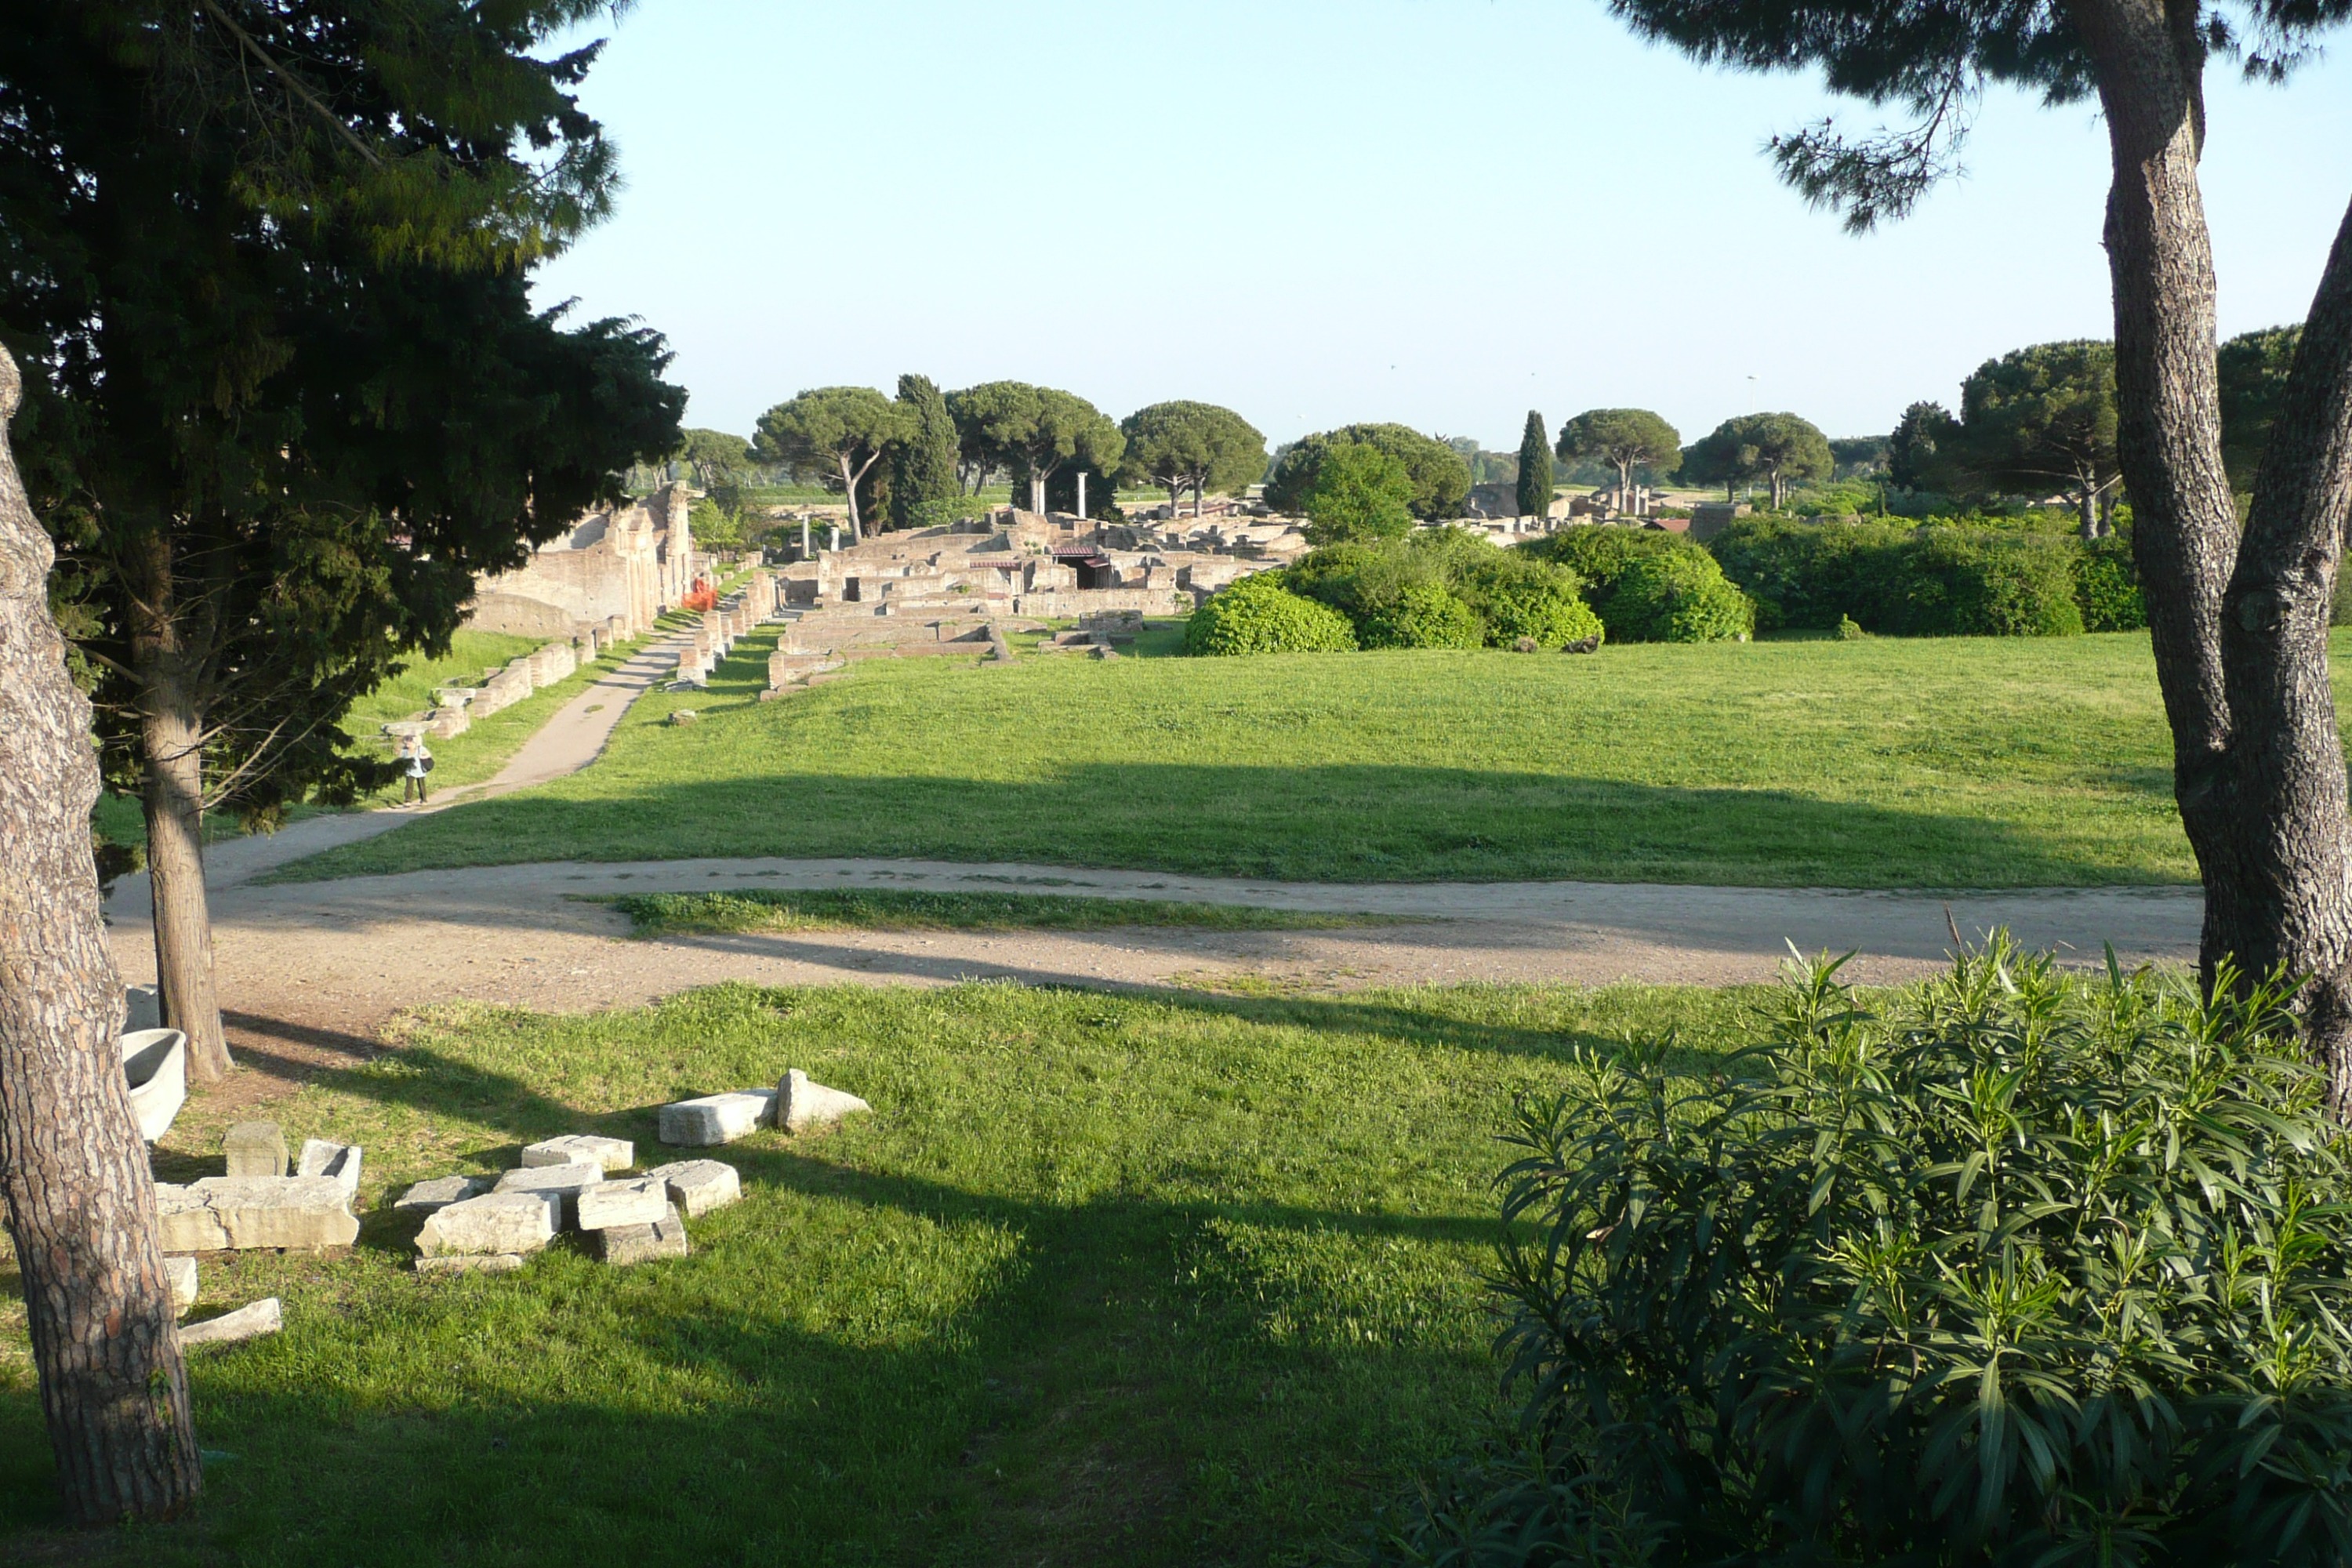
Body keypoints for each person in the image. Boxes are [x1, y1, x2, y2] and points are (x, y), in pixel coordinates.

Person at [397, 731, 434, 806]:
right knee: (409, 786)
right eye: (406, 743)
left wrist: (422, 757)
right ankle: (407, 800)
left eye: (409, 743)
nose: (407, 745)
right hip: (409, 771)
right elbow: (401, 759)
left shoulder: (420, 749)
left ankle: (424, 800)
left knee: (421, 785)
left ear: (414, 743)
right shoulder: (404, 751)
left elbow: (429, 754)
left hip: (420, 771)